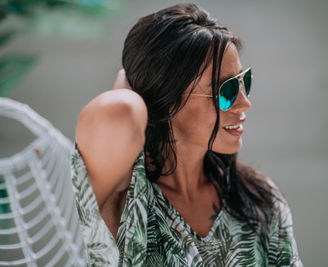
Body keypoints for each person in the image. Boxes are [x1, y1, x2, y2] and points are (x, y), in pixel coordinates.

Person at [70, 3, 303, 266]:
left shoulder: (258, 199)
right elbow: (119, 109)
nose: (244, 102)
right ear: (167, 98)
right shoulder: (126, 199)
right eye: (226, 91)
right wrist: (141, 84)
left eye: (243, 81)